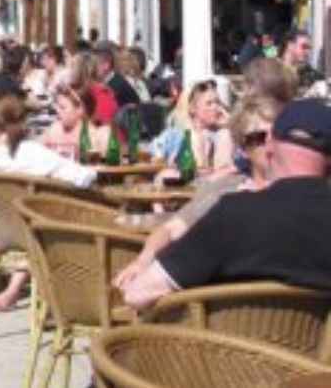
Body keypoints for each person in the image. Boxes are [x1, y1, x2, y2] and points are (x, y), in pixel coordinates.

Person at [121, 100, 331, 310]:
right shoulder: (229, 196)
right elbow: (170, 229)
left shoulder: (233, 214)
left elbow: (137, 295)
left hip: (219, 340)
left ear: (271, 144)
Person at [113, 95, 281, 288]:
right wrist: (143, 261)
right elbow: (169, 229)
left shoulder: (304, 190)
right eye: (258, 138)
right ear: (243, 148)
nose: (270, 145)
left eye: (277, 136)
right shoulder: (226, 189)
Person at [0, 94, 97, 310]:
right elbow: (83, 177)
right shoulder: (36, 155)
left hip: (0, 234)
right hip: (33, 232)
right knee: (44, 220)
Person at [39, 81, 112, 161]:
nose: (57, 111)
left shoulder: (98, 135)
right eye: (57, 106)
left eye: (62, 107)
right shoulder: (53, 130)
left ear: (80, 110)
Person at [94, 42, 141, 108]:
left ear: (106, 65)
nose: (92, 67)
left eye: (95, 64)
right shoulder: (113, 80)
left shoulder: (114, 87)